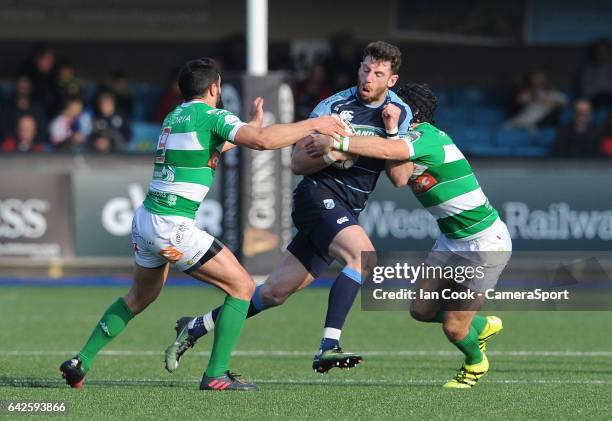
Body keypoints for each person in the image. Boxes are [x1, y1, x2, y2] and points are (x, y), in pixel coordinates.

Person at [59, 57, 346, 391]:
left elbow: (211, 148)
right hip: (172, 226)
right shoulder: (213, 115)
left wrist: (248, 130)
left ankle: (81, 362)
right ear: (214, 88)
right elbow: (265, 141)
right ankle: (216, 374)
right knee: (242, 287)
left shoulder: (174, 117)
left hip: (145, 220)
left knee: (139, 297)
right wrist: (316, 124)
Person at [165, 41, 412, 375]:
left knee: (273, 293)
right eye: (365, 68)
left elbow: (399, 178)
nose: (369, 77)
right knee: (362, 256)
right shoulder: (333, 106)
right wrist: (331, 154)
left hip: (347, 212)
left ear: (391, 81)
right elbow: (296, 163)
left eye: (378, 73)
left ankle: (196, 326)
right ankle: (329, 345)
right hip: (317, 197)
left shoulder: (398, 113)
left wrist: (392, 132)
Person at [307, 82, 512, 388]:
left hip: (485, 242)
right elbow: (400, 177)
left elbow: (390, 154)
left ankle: (475, 363)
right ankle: (480, 326)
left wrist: (338, 142)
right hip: (450, 240)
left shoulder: (426, 137)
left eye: (393, 103)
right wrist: (388, 131)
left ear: (409, 111)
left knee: (454, 329)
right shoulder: (404, 139)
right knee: (421, 310)